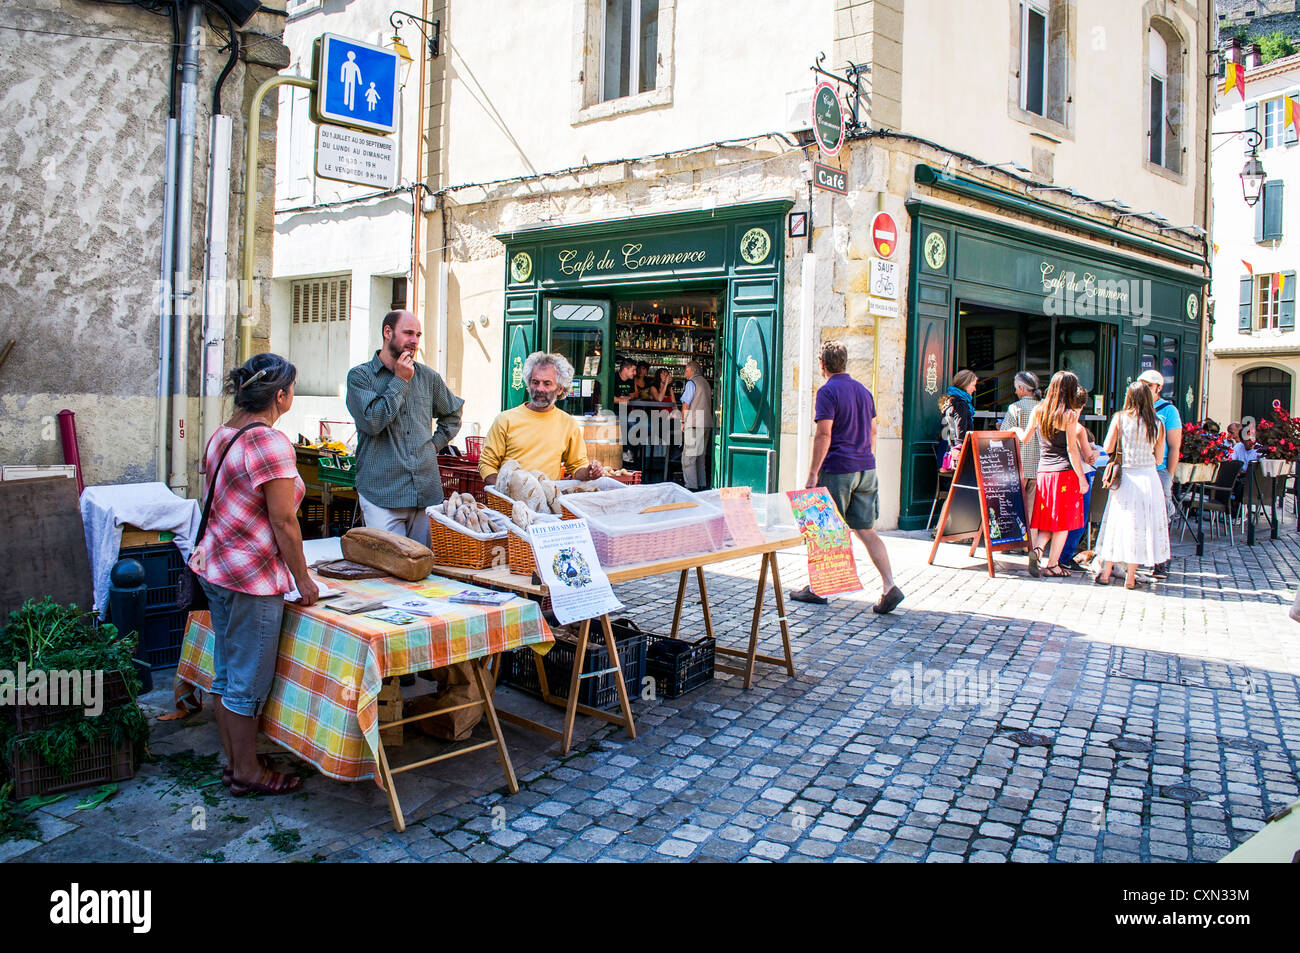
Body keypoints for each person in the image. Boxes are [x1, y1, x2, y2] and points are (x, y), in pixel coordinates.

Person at [189, 354, 315, 797]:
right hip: (251, 579)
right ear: (280, 395)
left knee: (227, 674)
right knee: (247, 682)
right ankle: (248, 771)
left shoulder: (224, 434)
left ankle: (236, 761)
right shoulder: (269, 443)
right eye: (292, 389)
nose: (293, 396)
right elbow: (284, 523)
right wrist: (305, 581)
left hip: (218, 568)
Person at [790, 341, 904, 614]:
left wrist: (812, 473)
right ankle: (889, 585)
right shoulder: (864, 391)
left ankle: (819, 588)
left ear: (822, 364)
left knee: (825, 529)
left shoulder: (828, 392)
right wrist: (867, 458)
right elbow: (874, 431)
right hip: (866, 468)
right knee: (866, 530)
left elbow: (824, 434)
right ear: (845, 361)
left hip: (838, 468)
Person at [346, 310, 463, 548]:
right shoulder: (361, 377)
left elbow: (452, 414)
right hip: (383, 494)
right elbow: (373, 422)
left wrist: (433, 445)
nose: (415, 340)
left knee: (426, 568)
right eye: (408, 333)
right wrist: (400, 380)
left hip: (425, 491)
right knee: (391, 567)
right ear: (387, 332)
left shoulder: (428, 377)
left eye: (418, 335)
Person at [479, 351, 606, 482]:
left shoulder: (568, 423)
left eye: (547, 383)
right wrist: (503, 490)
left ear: (560, 389)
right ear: (528, 383)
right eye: (535, 382)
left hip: (547, 501)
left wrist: (589, 472)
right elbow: (487, 464)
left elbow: (577, 466)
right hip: (509, 501)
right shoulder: (505, 420)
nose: (539, 388)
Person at [1093, 381, 1171, 589]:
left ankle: (1106, 572)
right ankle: (1130, 577)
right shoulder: (1158, 423)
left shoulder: (1120, 418)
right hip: (1148, 479)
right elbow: (1158, 458)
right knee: (1140, 527)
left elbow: (1108, 446)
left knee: (1117, 525)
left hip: (1126, 478)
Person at [1012, 370, 1089, 578]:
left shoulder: (1039, 409)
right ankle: (1053, 565)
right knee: (1062, 523)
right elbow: (1072, 450)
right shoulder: (1069, 415)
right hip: (1064, 473)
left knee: (1047, 520)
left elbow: (1025, 437)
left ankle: (1037, 552)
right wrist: (1082, 478)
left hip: (1043, 472)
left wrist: (1017, 430)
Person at [1138, 369, 1181, 578]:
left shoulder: (1168, 411)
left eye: (1149, 385)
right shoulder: (1133, 409)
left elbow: (1174, 446)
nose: (1145, 388)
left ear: (1158, 388)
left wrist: (1169, 475)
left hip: (1158, 469)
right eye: (1142, 384)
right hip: (1137, 469)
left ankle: (1161, 561)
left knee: (1162, 515)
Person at [999, 371, 1042, 513]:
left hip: (1019, 466)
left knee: (1014, 510)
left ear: (1022, 389)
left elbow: (1003, 435)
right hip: (1040, 468)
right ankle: (1032, 536)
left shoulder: (1015, 407)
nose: (1016, 391)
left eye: (1016, 388)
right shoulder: (1044, 407)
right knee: (1032, 515)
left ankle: (1015, 535)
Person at [680, 360, 713, 490]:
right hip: (706, 423)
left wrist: (683, 421)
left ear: (692, 371)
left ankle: (691, 487)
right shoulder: (706, 383)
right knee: (700, 457)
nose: (685, 373)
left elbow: (686, 404)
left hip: (693, 422)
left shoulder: (691, 383)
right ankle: (702, 484)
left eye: (686, 370)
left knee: (688, 458)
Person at [938, 369, 978, 466]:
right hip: (956, 451)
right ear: (965, 384)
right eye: (973, 385)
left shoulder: (950, 400)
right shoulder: (960, 403)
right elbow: (960, 428)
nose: (975, 389)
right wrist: (959, 450)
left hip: (945, 448)